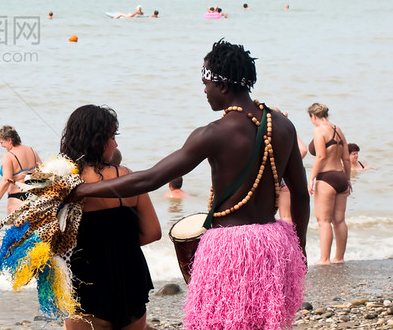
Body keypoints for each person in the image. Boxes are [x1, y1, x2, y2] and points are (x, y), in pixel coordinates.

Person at [70, 40, 308, 330]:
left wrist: (81, 190)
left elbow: (151, 178)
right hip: (273, 244)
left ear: (221, 85)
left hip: (230, 249)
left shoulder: (213, 133)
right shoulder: (282, 125)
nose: (204, 90)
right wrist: (301, 249)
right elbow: (300, 194)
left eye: (205, 81)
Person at [61, 105, 160, 330]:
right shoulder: (126, 177)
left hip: (86, 281)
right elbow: (153, 232)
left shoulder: (64, 182)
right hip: (131, 277)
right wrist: (120, 242)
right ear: (97, 139)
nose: (116, 144)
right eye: (112, 137)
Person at [307, 102, 351, 265]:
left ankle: (324, 259)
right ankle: (339, 257)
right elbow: (346, 158)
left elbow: (320, 157)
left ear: (313, 116)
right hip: (340, 177)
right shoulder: (338, 129)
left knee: (324, 221)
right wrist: (347, 179)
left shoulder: (319, 130)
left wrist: (311, 177)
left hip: (327, 178)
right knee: (339, 220)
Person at [0, 125, 42, 214]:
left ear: (10, 140)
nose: (2, 146)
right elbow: (42, 171)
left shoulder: (9, 156)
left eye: (2, 142)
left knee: (14, 227)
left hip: (17, 197)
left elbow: (7, 180)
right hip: (34, 196)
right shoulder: (31, 150)